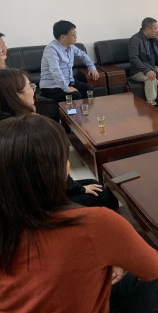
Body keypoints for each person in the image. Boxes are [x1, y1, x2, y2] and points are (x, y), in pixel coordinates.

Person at [0, 115, 158, 313]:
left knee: (122, 282)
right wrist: (115, 258)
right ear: (60, 171)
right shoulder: (95, 224)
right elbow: (153, 269)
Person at [0, 68, 115, 209]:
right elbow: (55, 173)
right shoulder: (30, 130)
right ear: (16, 95)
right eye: (30, 86)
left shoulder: (7, 124)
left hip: (16, 199)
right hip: (38, 204)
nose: (33, 90)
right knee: (102, 193)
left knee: (93, 183)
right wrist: (80, 189)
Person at [40, 21, 99, 102]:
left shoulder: (71, 47)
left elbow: (83, 55)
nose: (76, 37)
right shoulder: (51, 49)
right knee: (75, 95)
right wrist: (66, 88)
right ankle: (74, 111)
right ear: (63, 37)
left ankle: (86, 109)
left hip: (68, 81)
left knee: (89, 89)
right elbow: (55, 70)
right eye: (73, 35)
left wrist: (92, 68)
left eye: (75, 33)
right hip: (52, 87)